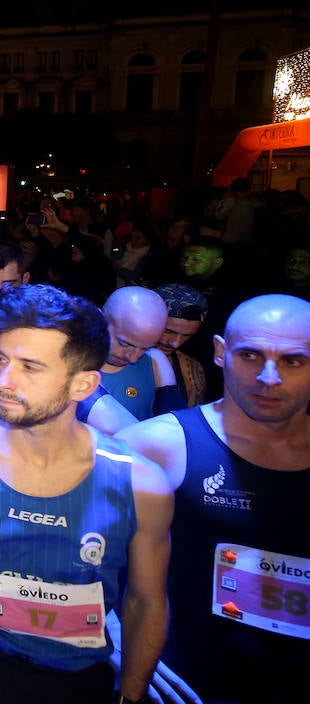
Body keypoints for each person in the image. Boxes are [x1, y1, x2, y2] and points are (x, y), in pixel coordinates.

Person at [0, 283, 173, 704]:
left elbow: (145, 601)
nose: (2, 381)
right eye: (1, 359)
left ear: (82, 385)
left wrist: (130, 694)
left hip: (74, 679)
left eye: (29, 367)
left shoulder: (141, 485)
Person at [118, 294, 310, 703]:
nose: (269, 377)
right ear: (221, 354)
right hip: (184, 681)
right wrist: (113, 636)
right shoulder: (160, 445)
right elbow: (68, 543)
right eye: (251, 355)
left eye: (294, 361)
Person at [98, 287, 180, 421]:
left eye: (145, 348)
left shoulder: (155, 362)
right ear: (100, 319)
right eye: (125, 344)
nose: (133, 358)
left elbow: (174, 426)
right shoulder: (68, 357)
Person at [151, 283, 207, 409]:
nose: (176, 343)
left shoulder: (192, 369)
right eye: (168, 331)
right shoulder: (115, 356)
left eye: (187, 335)